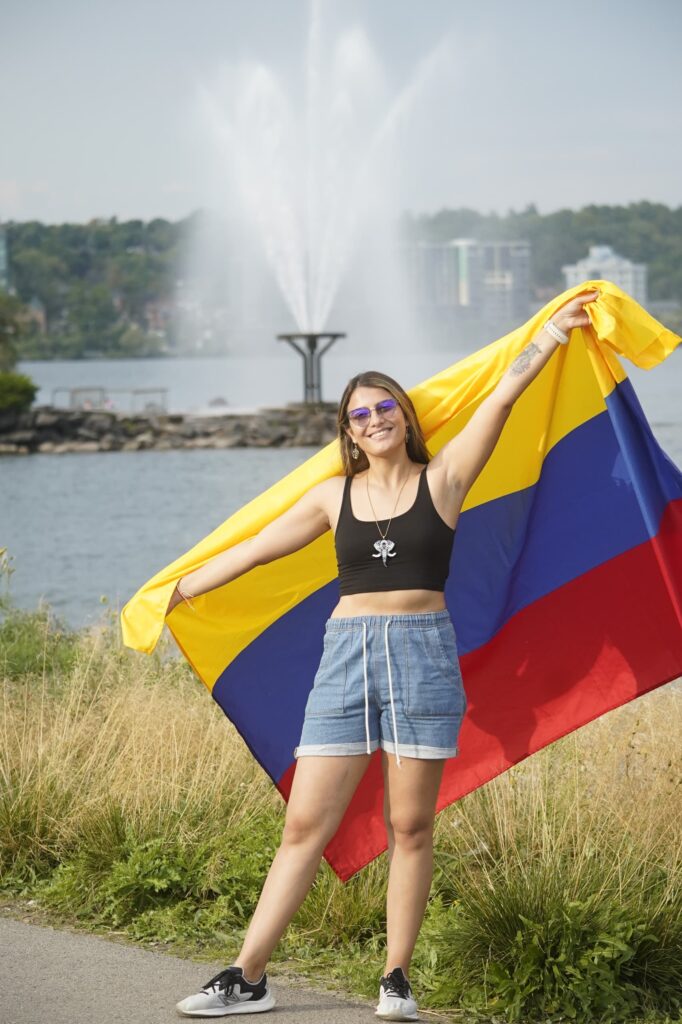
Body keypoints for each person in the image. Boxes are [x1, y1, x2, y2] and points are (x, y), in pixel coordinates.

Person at [171, 289, 599, 1020]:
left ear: (405, 416)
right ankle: (248, 974)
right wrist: (173, 590)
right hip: (346, 657)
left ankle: (396, 977)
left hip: (424, 657)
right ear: (347, 432)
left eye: (383, 407)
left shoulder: (446, 480)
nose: (373, 420)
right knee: (304, 825)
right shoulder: (331, 497)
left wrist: (552, 333)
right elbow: (251, 550)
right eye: (358, 414)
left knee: (411, 826)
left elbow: (501, 396)